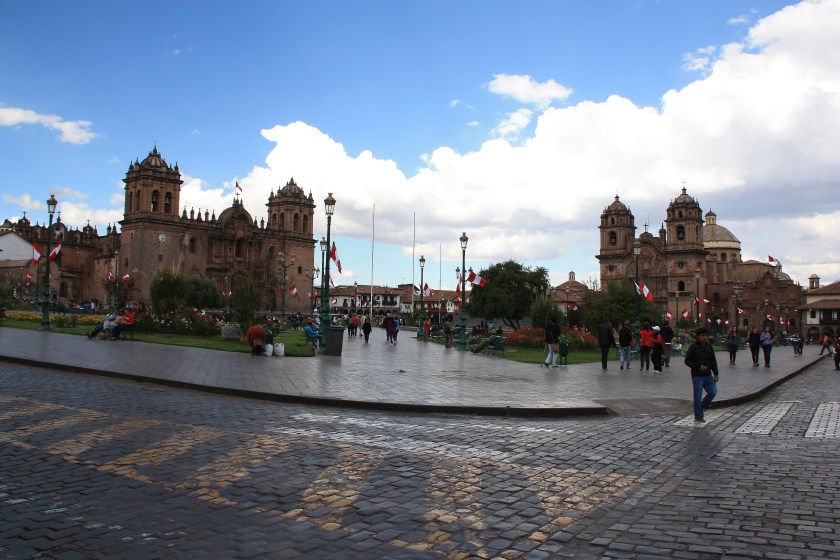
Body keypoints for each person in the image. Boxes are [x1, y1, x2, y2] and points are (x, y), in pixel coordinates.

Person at [684, 327, 719, 422]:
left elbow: (713, 360)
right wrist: (698, 366)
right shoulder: (693, 347)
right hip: (697, 375)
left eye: (706, 336)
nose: (705, 337)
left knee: (712, 392)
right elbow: (687, 361)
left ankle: (700, 407)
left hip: (708, 375)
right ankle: (698, 415)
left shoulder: (709, 346)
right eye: (703, 336)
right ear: (698, 336)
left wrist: (716, 373)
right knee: (698, 396)